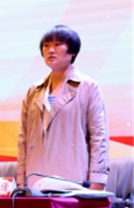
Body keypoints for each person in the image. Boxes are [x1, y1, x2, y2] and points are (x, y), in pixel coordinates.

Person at [16, 25, 109, 190]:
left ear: (72, 51)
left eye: (58, 44)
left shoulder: (88, 87)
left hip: (72, 178)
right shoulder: (34, 90)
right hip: (36, 178)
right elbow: (23, 138)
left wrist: (97, 181)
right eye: (46, 45)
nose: (50, 50)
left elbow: (98, 137)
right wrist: (21, 178)